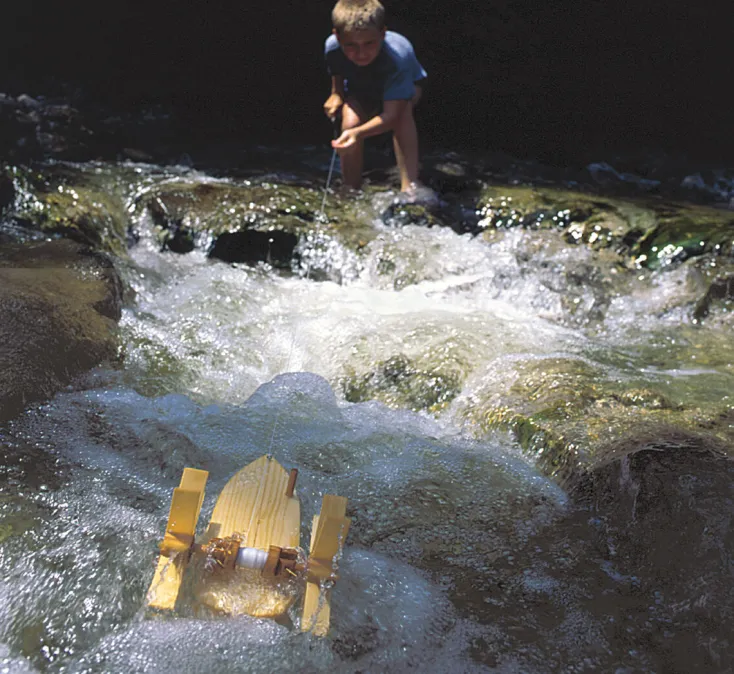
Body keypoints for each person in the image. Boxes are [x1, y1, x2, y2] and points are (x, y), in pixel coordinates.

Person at [323, 0, 428, 195]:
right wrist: (336, 93)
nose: (361, 53)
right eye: (351, 45)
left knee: (402, 115)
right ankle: (351, 186)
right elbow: (337, 70)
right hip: (362, 89)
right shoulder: (332, 47)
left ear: (383, 34)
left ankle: (409, 184)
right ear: (337, 37)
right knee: (349, 123)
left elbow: (392, 116)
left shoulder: (398, 57)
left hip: (403, 91)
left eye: (369, 44)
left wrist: (357, 134)